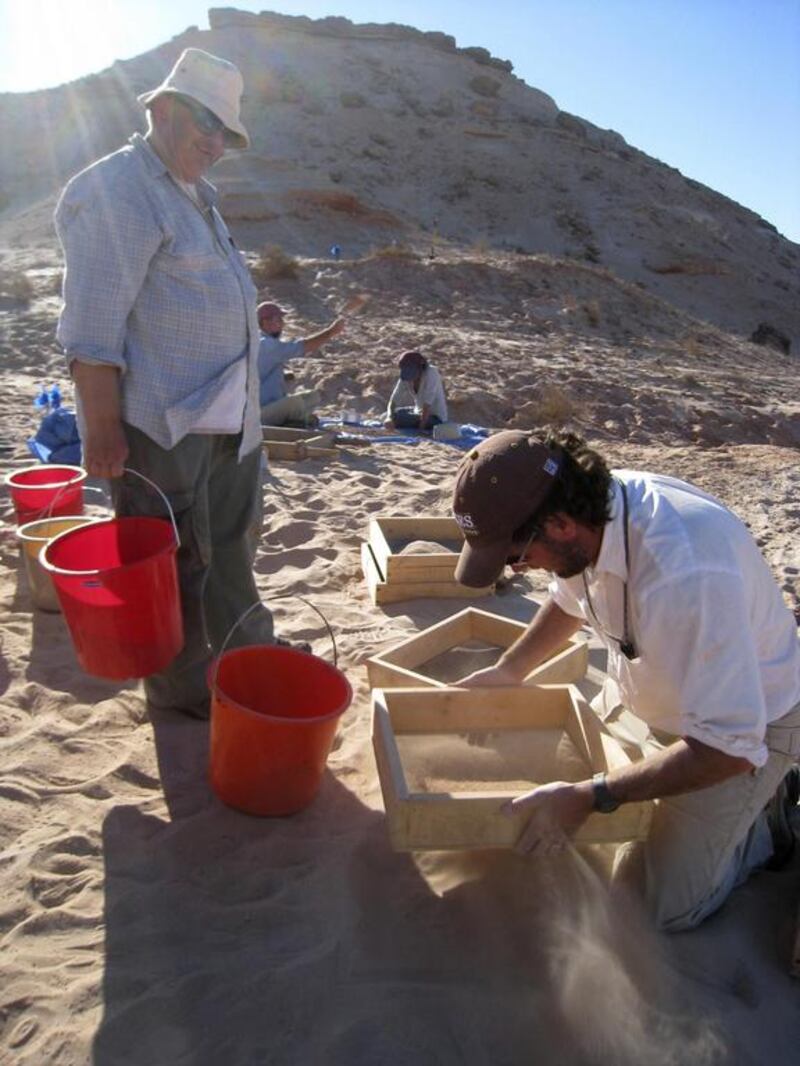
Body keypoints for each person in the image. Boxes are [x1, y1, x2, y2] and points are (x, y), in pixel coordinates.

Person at [451, 429, 800, 931]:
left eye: (516, 556)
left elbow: (730, 746)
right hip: (656, 693)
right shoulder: (590, 517)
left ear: (560, 525)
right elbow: (568, 599)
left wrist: (592, 795)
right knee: (593, 809)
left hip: (748, 731)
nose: (519, 569)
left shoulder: (686, 574)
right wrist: (509, 671)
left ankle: (768, 821)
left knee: (651, 909)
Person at [54, 47, 276, 720]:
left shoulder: (196, 196)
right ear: (162, 108)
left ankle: (246, 660)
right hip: (163, 427)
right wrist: (101, 431)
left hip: (230, 422)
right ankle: (186, 695)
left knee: (233, 548)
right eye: (206, 122)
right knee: (177, 565)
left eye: (226, 134)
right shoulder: (120, 190)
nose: (215, 141)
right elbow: (92, 328)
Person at [257, 301, 344, 426]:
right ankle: (291, 421)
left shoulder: (267, 343)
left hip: (270, 405)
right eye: (278, 319)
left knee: (312, 396)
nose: (282, 323)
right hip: (259, 412)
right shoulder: (266, 344)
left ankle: (293, 419)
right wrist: (331, 332)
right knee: (295, 403)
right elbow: (304, 346)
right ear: (265, 322)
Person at [384, 350, 447, 432]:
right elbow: (394, 400)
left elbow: (427, 404)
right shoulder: (405, 377)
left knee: (398, 419)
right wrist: (389, 418)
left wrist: (421, 428)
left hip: (434, 416)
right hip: (418, 411)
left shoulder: (431, 373)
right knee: (389, 414)